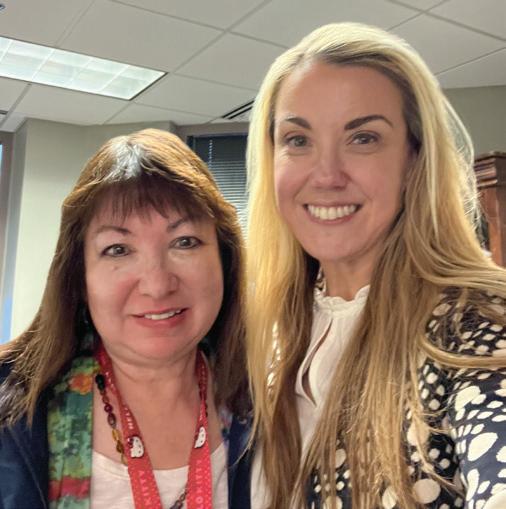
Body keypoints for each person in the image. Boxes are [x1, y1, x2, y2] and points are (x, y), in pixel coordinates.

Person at [245, 22, 506, 509]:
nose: (326, 175)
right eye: (298, 140)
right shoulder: (268, 332)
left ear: (414, 160)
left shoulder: (477, 321)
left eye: (363, 138)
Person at [0, 128, 250, 509]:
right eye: (118, 249)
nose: (157, 285)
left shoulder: (271, 406)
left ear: (225, 260)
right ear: (79, 277)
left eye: (184, 242)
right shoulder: (11, 421)